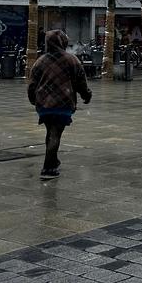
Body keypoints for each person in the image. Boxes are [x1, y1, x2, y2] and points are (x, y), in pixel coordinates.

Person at [27, 30, 92, 179]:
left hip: (43, 103)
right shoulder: (72, 60)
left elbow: (32, 84)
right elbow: (81, 82)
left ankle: (53, 160)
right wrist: (86, 95)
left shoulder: (40, 61)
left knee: (50, 131)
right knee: (56, 133)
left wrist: (33, 99)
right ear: (63, 42)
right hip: (63, 102)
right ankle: (48, 168)